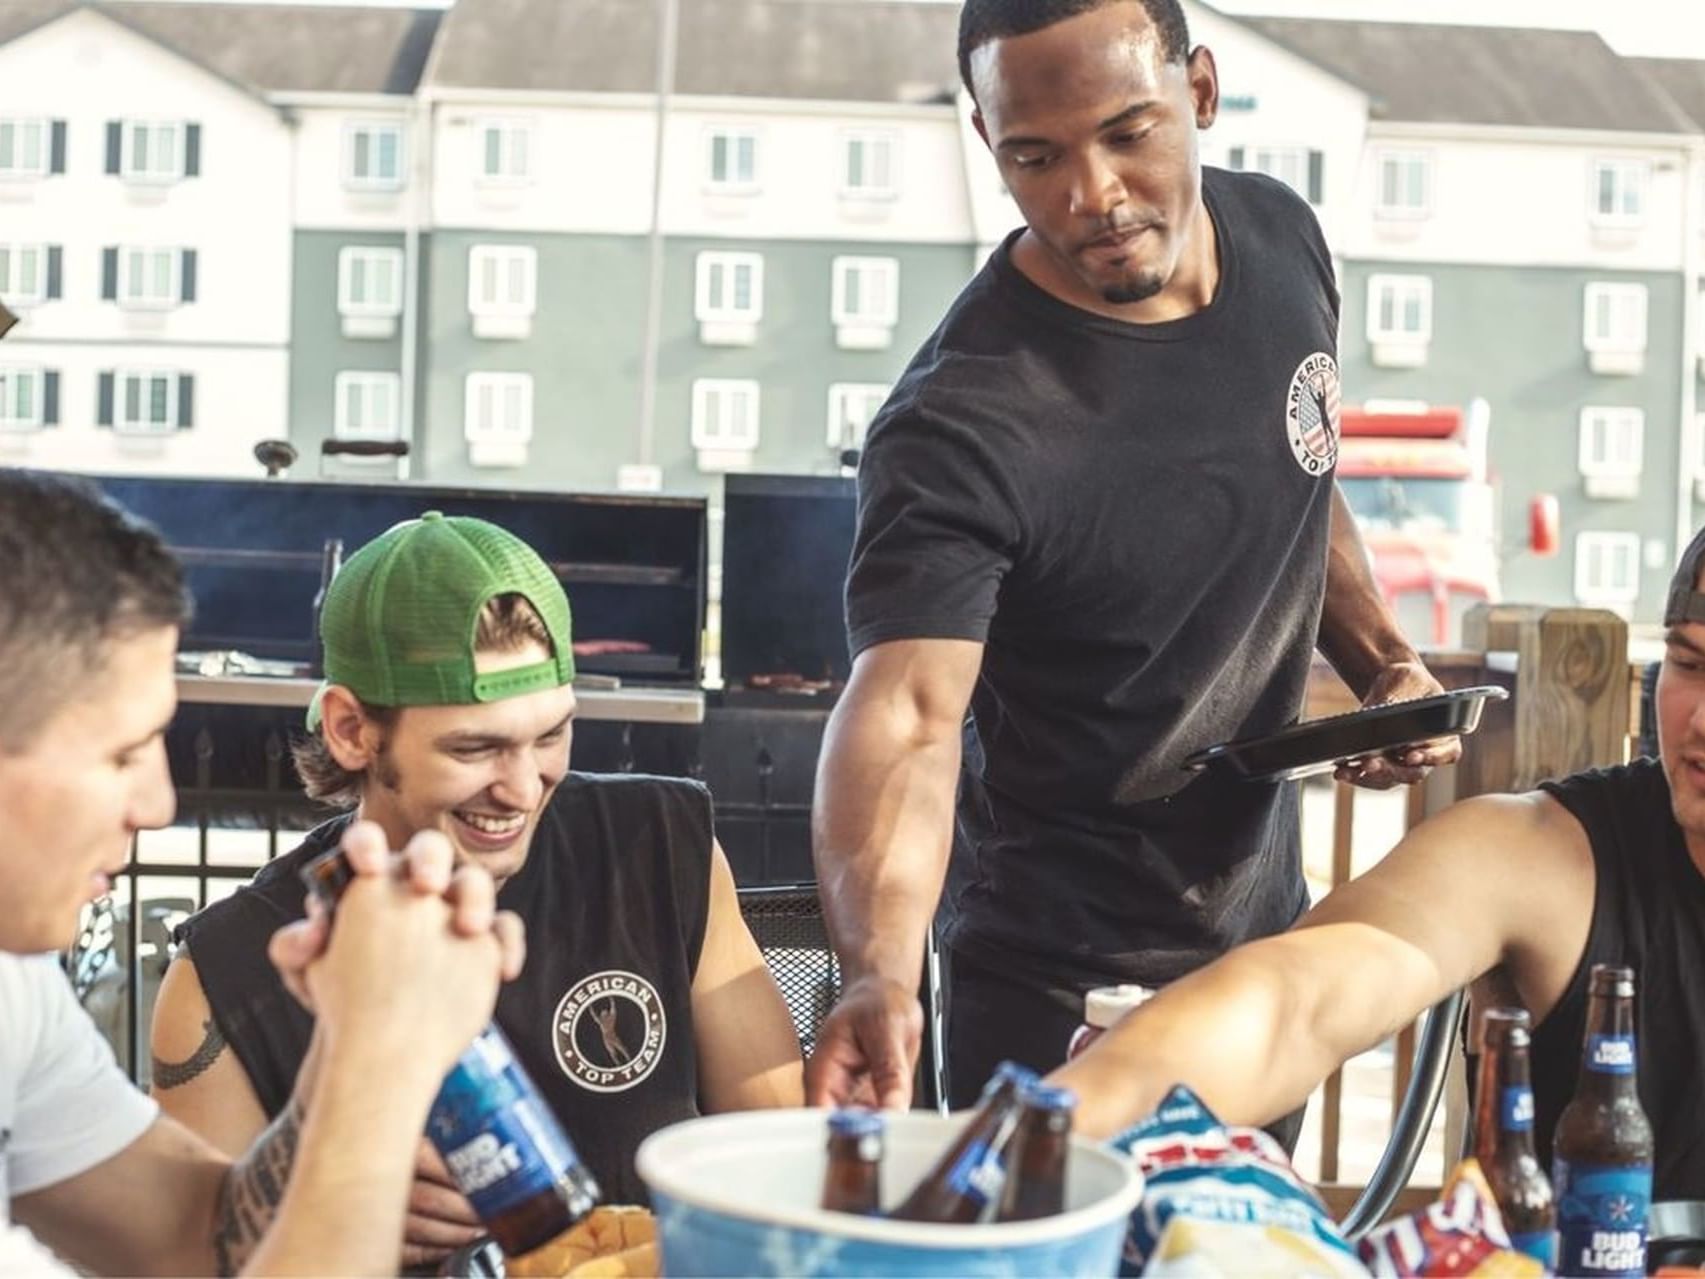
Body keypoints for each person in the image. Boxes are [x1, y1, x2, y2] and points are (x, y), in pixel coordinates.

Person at [806, 0, 1458, 1119]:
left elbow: (1298, 461)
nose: (1090, 195)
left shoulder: (1281, 241)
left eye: (1127, 132)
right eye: (1035, 156)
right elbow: (907, 719)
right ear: (986, 141)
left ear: (1200, 93)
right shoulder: (959, 422)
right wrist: (876, 969)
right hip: (1056, 979)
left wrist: (1386, 661)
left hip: (1258, 950)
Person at [150, 511, 804, 1268]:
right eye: (476, 747)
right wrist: (331, 1198)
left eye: (551, 735)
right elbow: (192, 1258)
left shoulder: (657, 847)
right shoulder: (225, 976)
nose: (524, 788)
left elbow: (782, 1167)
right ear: (351, 729)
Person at [1052, 525, 1705, 1198]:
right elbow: (1291, 1005)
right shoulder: (1545, 854)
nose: (1700, 719)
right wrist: (1035, 1132)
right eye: (1688, 663)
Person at [0, 467, 524, 1275]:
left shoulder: (15, 983)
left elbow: (192, 1232)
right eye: (123, 752)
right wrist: (377, 1060)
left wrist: (338, 1050)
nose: (159, 802)